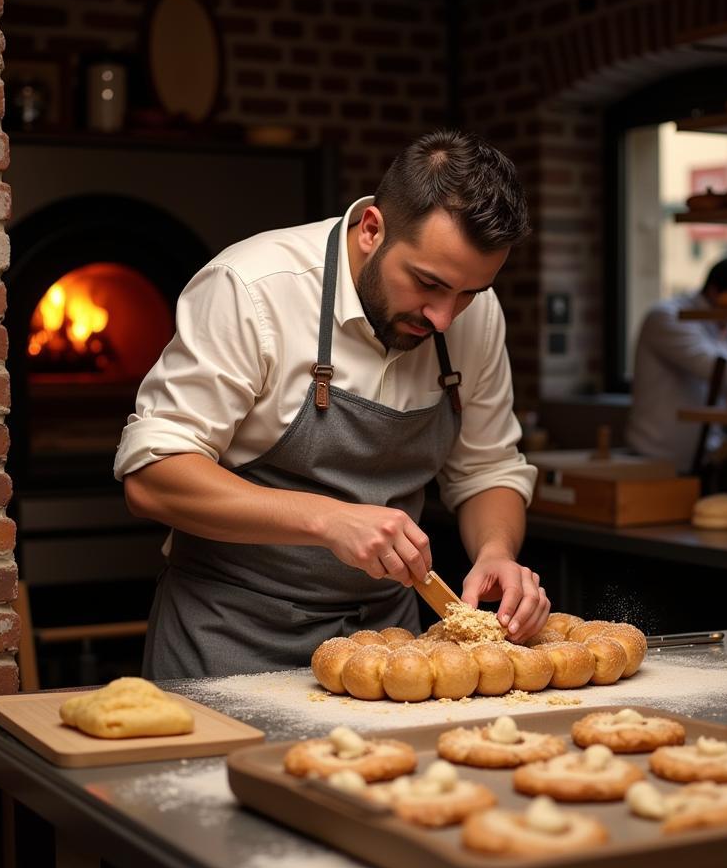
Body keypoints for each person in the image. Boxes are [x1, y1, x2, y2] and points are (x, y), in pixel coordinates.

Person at [115, 130, 550, 679]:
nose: (444, 316)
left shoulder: (474, 315)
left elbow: (487, 467)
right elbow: (152, 477)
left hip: (388, 647)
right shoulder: (252, 289)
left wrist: (495, 552)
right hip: (230, 636)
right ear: (372, 228)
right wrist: (326, 519)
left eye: (468, 293)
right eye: (427, 283)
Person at [625, 257, 727, 470]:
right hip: (657, 457)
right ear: (714, 291)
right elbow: (715, 370)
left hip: (707, 454)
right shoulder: (667, 317)